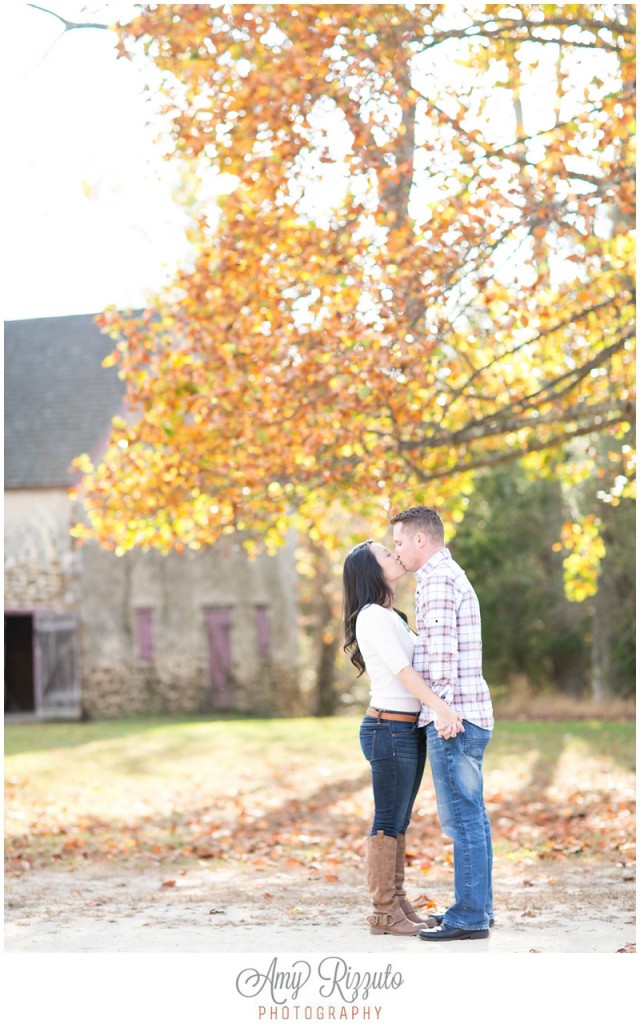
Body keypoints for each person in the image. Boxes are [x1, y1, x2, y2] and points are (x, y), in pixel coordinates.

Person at [342, 539, 462, 937]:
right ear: (370, 570)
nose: (394, 554)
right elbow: (404, 673)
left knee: (399, 821)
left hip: (403, 730)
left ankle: (396, 902)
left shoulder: (392, 615)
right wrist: (441, 709)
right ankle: (382, 910)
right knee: (387, 820)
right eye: (384, 552)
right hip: (387, 728)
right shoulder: (372, 615)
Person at [390, 506, 494, 941]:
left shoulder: (435, 580)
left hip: (455, 718)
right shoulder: (448, 575)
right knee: (474, 817)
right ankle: (477, 910)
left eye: (398, 542)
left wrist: (443, 713)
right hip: (469, 714)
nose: (396, 552)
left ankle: (469, 916)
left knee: (463, 821)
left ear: (419, 539)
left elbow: (442, 658)